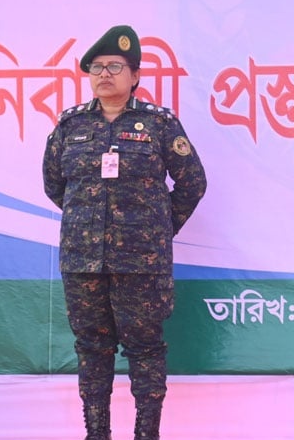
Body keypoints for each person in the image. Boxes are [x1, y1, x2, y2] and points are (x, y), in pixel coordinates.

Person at [42, 25, 207, 440]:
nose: (104, 74)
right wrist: (90, 225)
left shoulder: (159, 124)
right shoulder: (70, 125)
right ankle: (96, 432)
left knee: (145, 348)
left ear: (135, 75)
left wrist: (156, 230)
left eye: (115, 66)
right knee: (91, 348)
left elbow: (192, 183)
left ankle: (146, 433)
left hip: (141, 263)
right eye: (96, 67)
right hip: (83, 262)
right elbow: (54, 185)